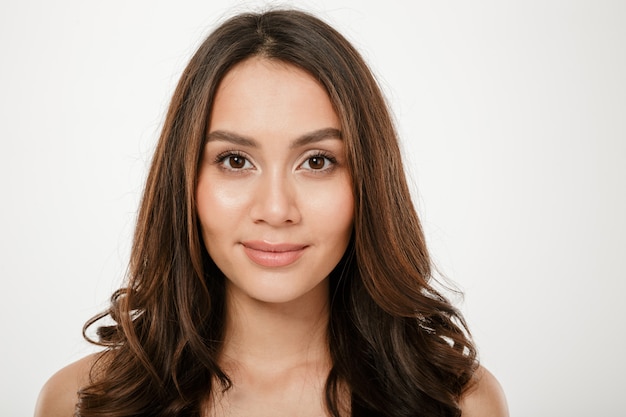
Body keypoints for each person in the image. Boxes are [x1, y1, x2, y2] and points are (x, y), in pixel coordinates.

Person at [35, 9, 508, 417]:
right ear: (184, 184)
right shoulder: (81, 402)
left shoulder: (459, 403)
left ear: (367, 181)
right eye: (235, 161)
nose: (276, 210)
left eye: (317, 162)